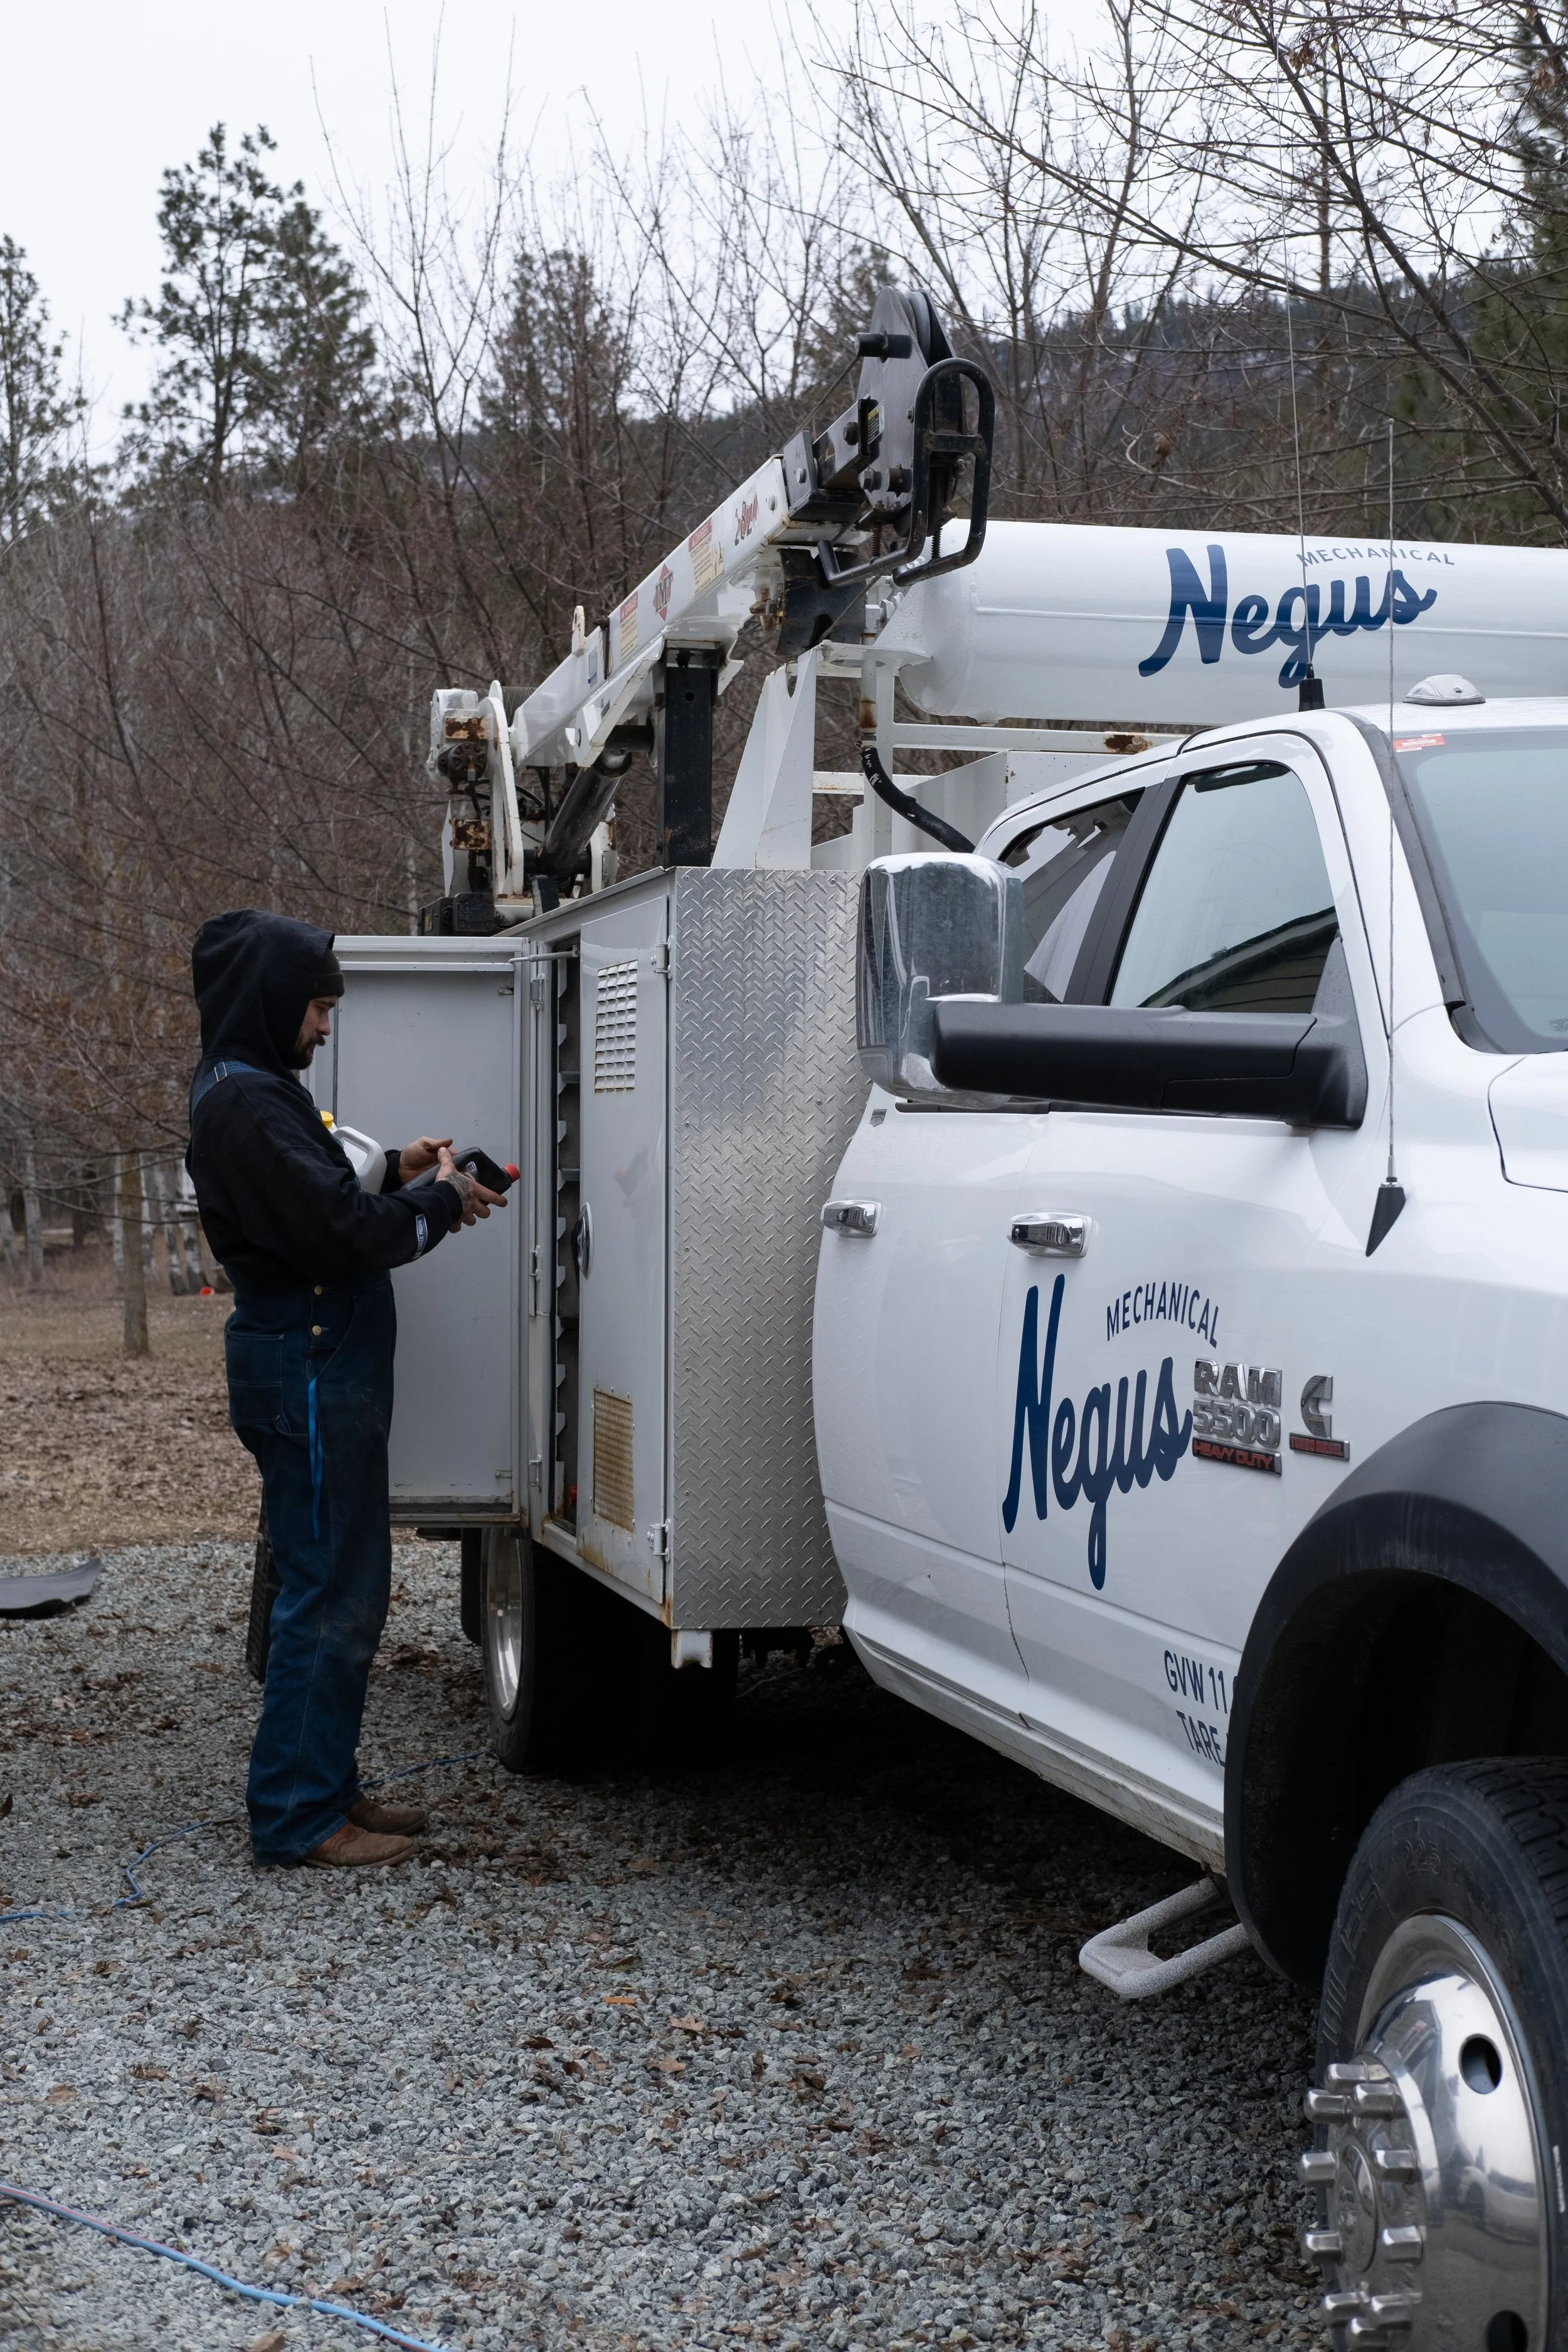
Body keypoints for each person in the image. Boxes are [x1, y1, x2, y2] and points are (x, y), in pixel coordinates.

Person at [184, 909, 506, 1870]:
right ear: (275, 1000)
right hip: (310, 1365)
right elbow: (333, 1236)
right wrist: (439, 1203)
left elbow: (320, 1200)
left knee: (340, 1584)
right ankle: (296, 1816)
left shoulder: (261, 1092)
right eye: (319, 1007)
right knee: (326, 1593)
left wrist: (398, 1171)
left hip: (320, 1363)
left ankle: (327, 1783)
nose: (326, 1026)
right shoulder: (245, 1105)